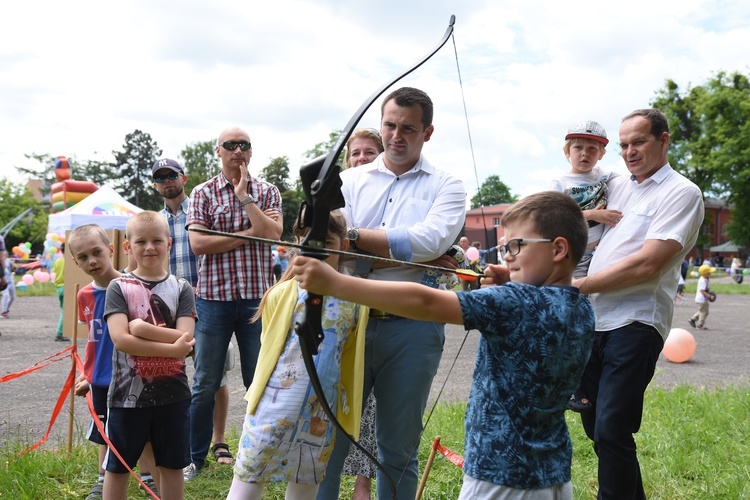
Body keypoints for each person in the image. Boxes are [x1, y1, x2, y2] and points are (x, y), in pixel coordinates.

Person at [295, 191, 595, 499]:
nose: (507, 255)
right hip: (554, 474)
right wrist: (515, 280)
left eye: (517, 245)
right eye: (506, 246)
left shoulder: (511, 303)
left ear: (558, 249)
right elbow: (538, 313)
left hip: (499, 477)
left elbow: (424, 302)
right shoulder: (582, 308)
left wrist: (334, 283)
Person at [317, 87, 466, 500]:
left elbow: (430, 239)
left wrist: (352, 238)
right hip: (348, 322)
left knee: (398, 448)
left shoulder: (447, 185)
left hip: (413, 329)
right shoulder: (347, 180)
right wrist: (410, 260)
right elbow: (326, 250)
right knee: (329, 439)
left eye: (408, 128)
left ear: (428, 132)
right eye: (390, 125)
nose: (396, 136)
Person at [574, 108, 704, 498]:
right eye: (624, 145)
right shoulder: (616, 184)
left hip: (636, 323)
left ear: (664, 141)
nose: (629, 152)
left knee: (613, 426)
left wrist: (576, 287)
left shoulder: (682, 192)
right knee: (597, 427)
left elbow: (649, 263)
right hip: (593, 321)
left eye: (639, 142)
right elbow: (566, 196)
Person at [227, 209, 368, 500]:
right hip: (273, 407)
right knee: (247, 483)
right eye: (308, 240)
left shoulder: (356, 299)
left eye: (326, 240)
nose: (316, 248)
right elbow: (270, 349)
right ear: (298, 243)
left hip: (320, 411)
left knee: (305, 486)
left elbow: (350, 355)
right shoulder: (282, 293)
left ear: (343, 244)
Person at [185, 127, 283, 480]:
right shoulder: (202, 192)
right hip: (213, 300)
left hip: (258, 299)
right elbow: (198, 244)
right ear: (219, 151)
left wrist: (244, 198)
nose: (238, 150)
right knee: (205, 382)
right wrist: (248, 233)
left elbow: (273, 235)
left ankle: (258, 456)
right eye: (231, 145)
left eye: (244, 145)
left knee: (260, 381)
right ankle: (194, 459)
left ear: (251, 152)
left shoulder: (267, 191)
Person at [102, 211, 196, 499]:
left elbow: (187, 336)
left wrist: (141, 327)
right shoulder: (118, 287)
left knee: (172, 465)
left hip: (174, 396)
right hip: (126, 397)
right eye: (141, 241)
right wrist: (175, 348)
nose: (149, 247)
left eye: (157, 240)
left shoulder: (181, 288)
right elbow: (121, 340)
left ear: (169, 243)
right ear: (128, 246)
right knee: (118, 468)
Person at [152, 157, 236, 467]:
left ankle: (219, 440)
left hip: (207, 303)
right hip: (168, 306)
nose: (167, 182)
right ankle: (174, 438)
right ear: (155, 185)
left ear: (184, 178)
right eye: (160, 178)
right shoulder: (155, 222)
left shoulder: (200, 211)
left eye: (171, 176)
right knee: (169, 371)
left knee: (213, 376)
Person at [550, 120, 622, 413]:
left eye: (592, 148)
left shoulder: (606, 177)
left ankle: (589, 380)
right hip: (574, 256)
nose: (585, 153)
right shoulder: (560, 183)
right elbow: (555, 219)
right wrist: (595, 214)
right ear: (567, 152)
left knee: (592, 322)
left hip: (601, 254)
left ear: (602, 153)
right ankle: (567, 386)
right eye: (578, 147)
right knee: (572, 319)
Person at [341, 127, 385, 499]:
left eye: (370, 152)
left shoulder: (390, 198)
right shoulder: (339, 199)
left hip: (379, 314)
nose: (361, 158)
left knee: (370, 408)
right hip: (340, 315)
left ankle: (362, 485)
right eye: (355, 153)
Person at [688, 263, 715, 329]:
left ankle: (693, 319)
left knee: (702, 311)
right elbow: (702, 290)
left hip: (701, 299)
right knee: (704, 312)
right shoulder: (703, 281)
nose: (710, 274)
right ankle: (700, 325)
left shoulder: (704, 279)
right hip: (702, 299)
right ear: (705, 273)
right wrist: (709, 296)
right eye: (709, 272)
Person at [52, 243, 69, 342]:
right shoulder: (69, 262)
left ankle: (61, 332)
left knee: (63, 310)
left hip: (59, 288)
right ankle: (59, 333)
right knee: (65, 311)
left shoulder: (58, 261)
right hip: (66, 287)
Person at [1, 252, 16, 318]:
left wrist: (14, 268)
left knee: (12, 297)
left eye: (5, 255)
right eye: (2, 255)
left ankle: (6, 309)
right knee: (6, 295)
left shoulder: (8, 261)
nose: (3, 257)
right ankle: (4, 312)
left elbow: (14, 268)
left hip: (10, 281)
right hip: (3, 282)